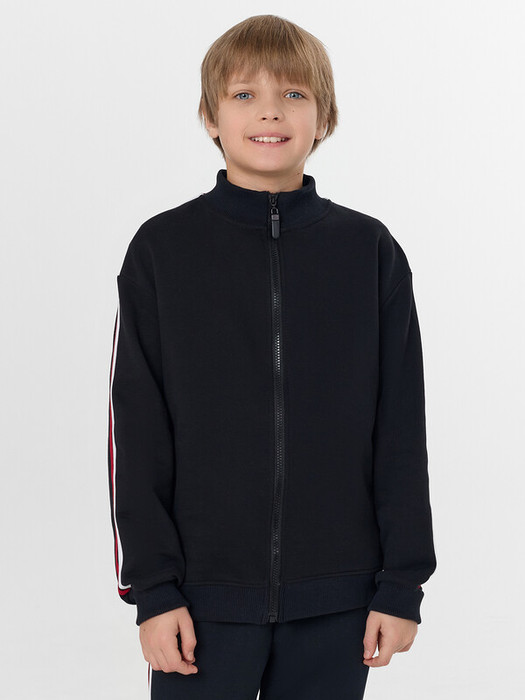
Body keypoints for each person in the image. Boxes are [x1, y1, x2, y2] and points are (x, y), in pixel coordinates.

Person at [107, 14, 437, 700]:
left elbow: (401, 427)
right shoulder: (162, 252)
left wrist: (402, 583)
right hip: (199, 601)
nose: (269, 111)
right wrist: (154, 589)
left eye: (293, 94)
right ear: (210, 116)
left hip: (339, 599)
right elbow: (134, 432)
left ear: (324, 117)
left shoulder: (368, 252)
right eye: (243, 94)